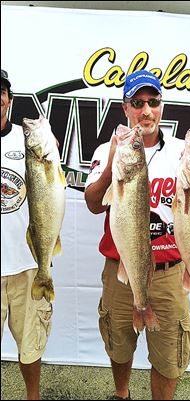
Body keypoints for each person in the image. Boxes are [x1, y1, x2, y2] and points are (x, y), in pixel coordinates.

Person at [85, 70, 190, 400]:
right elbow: (92, 202)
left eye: (153, 102)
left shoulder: (181, 152)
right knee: (119, 342)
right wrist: (112, 165)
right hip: (121, 270)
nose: (146, 110)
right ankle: (122, 394)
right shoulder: (108, 149)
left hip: (168, 273)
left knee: (168, 354)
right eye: (137, 102)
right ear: (125, 108)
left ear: (161, 106)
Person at [1, 69, 53, 400]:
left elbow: (48, 187)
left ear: (8, 99)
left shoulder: (26, 139)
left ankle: (32, 396)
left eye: (0, 92)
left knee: (30, 343)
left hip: (27, 264)